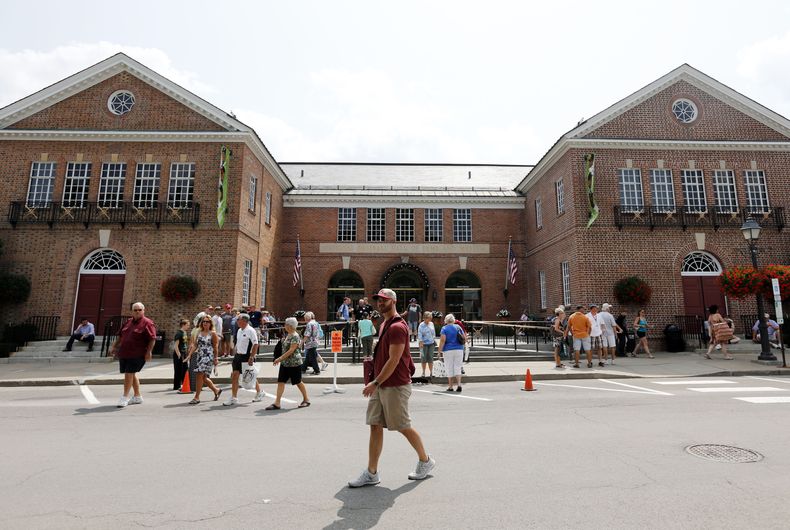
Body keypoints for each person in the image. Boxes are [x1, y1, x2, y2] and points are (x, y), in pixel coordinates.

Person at [348, 288, 434, 488]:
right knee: (375, 425)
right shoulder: (384, 323)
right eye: (378, 300)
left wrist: (375, 382)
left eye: (384, 300)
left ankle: (426, 460)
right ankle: (372, 473)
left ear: (393, 302)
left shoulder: (397, 327)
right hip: (381, 383)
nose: (380, 303)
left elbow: (394, 359)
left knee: (402, 426)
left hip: (394, 384)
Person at [110, 302, 156, 408]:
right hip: (125, 352)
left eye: (140, 310)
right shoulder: (128, 322)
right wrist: (113, 346)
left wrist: (149, 352)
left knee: (128, 373)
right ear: (132, 311)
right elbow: (121, 336)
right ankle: (137, 396)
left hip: (137, 353)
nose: (137, 312)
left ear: (143, 311)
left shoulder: (147, 323)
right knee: (132, 374)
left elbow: (152, 339)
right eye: (135, 310)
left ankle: (125, 397)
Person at [266, 317, 310, 410]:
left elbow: (291, 350)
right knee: (281, 382)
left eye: (285, 324)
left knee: (298, 382)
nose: (284, 326)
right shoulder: (288, 335)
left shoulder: (295, 336)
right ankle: (277, 403)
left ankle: (306, 399)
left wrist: (279, 359)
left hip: (294, 363)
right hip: (285, 363)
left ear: (290, 326)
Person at [224, 314, 264, 406]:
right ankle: (234, 398)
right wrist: (234, 353)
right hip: (238, 356)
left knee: (251, 376)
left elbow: (255, 344)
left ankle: (259, 392)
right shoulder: (239, 330)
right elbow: (238, 343)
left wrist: (252, 357)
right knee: (234, 376)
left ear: (244, 321)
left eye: (238, 319)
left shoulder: (251, 330)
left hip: (247, 357)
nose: (237, 321)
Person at [184, 315, 222, 403]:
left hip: (208, 356)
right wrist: (189, 355)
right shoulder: (199, 332)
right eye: (204, 321)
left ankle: (196, 397)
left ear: (210, 324)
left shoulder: (213, 333)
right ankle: (216, 390)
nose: (205, 323)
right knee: (203, 378)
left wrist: (216, 358)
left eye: (207, 322)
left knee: (199, 374)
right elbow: (195, 345)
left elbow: (215, 347)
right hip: (200, 356)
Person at [438, 313, 465, 392]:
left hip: (448, 350)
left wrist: (439, 351)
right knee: (458, 367)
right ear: (453, 320)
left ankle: (450, 386)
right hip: (459, 349)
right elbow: (464, 338)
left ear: (446, 320)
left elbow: (442, 340)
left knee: (449, 367)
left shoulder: (444, 328)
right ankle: (459, 385)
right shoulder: (458, 327)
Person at [172, 319, 190, 391]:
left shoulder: (184, 332)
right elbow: (176, 345)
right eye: (187, 325)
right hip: (179, 353)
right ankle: (176, 386)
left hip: (184, 352)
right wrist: (179, 354)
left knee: (185, 369)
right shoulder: (179, 333)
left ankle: (184, 384)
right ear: (183, 325)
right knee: (178, 370)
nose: (188, 326)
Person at [417, 311, 436, 378]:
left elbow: (434, 333)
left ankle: (431, 372)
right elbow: (419, 334)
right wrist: (421, 341)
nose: (430, 319)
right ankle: (423, 372)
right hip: (423, 344)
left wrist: (433, 339)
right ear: (425, 318)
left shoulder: (431, 324)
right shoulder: (421, 325)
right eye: (429, 318)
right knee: (423, 358)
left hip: (431, 343)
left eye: (431, 318)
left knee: (430, 357)